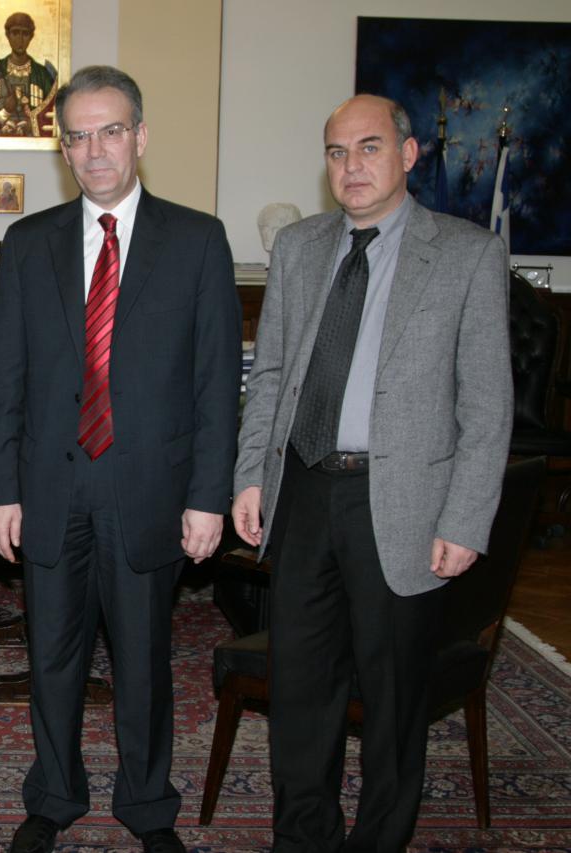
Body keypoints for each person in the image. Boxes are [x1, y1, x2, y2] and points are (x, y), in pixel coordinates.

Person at [231, 94, 512, 851]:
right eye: (336, 152)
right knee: (300, 691)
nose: (351, 166)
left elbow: (487, 406)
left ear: (408, 154)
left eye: (369, 147)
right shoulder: (299, 247)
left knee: (392, 700)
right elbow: (273, 376)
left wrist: (465, 519)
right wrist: (251, 475)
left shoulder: (467, 255)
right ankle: (304, 838)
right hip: (302, 492)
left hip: (402, 505)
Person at [0, 65, 241, 853]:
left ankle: (148, 807)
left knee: (143, 663)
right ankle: (54, 795)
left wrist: (209, 495)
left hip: (150, 491)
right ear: (63, 149)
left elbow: (216, 384)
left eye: (111, 131)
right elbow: (8, 378)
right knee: (52, 658)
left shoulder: (197, 240)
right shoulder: (28, 243)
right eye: (78, 136)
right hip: (50, 488)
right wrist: (1, 489)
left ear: (141, 136)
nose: (95, 150)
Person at [0, 12, 58, 138]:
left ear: (31, 37)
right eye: (15, 33)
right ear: (8, 35)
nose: (20, 39)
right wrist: (5, 111)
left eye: (25, 34)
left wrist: (32, 124)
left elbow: (54, 120)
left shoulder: (43, 76)